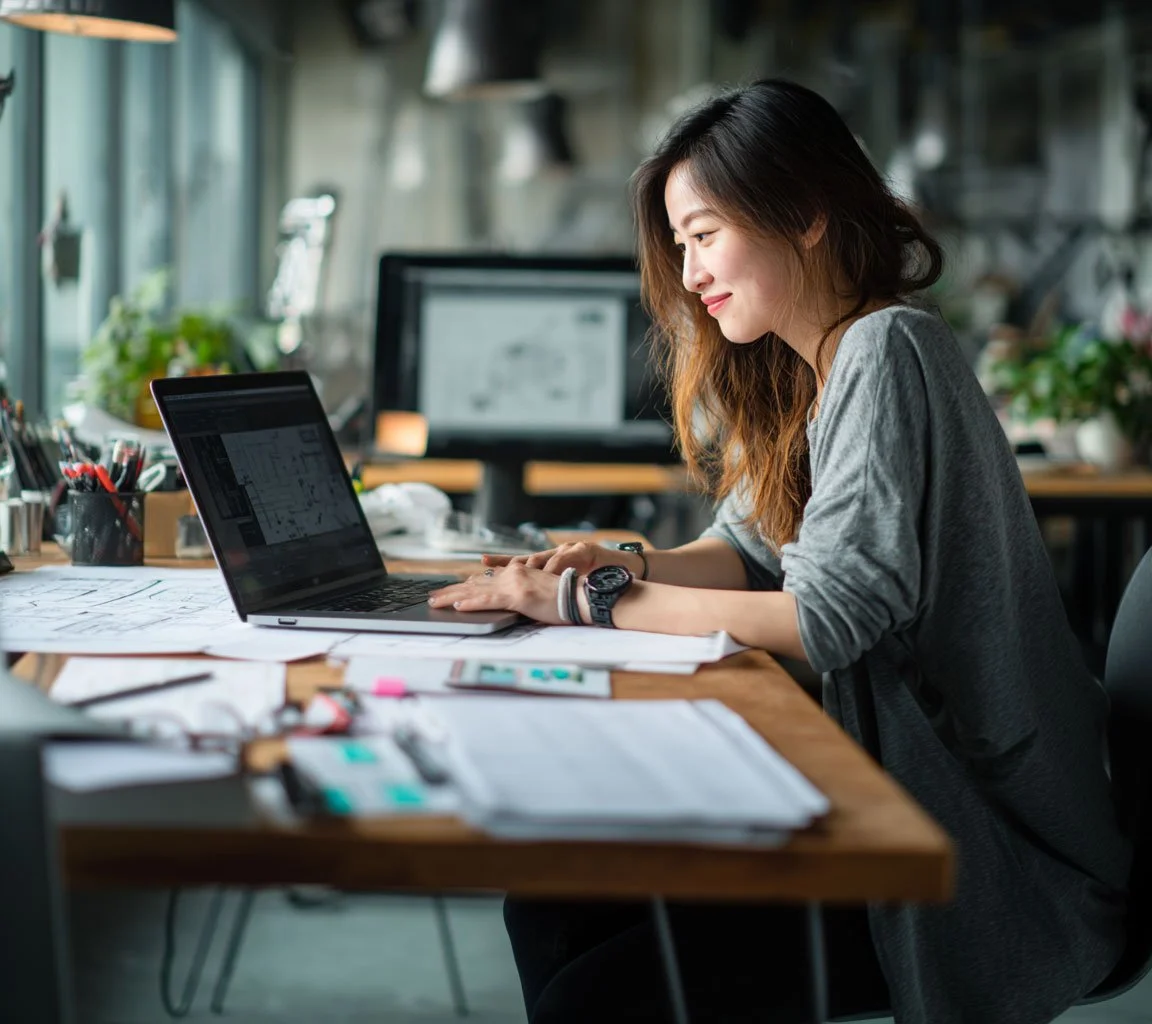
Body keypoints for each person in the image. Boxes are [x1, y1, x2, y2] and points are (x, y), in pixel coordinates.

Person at [427, 78, 1131, 1023]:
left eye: (705, 234)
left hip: (973, 858)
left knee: (599, 995)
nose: (688, 273)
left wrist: (588, 600)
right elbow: (747, 552)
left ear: (803, 214)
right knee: (555, 902)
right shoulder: (815, 370)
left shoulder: (888, 349)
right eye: (679, 246)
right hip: (886, 805)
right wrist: (630, 563)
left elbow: (824, 618)